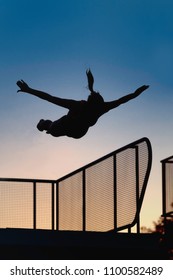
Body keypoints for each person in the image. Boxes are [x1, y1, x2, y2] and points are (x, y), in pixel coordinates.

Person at [16, 69, 149, 139]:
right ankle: (47, 126)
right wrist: (137, 93)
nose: (83, 100)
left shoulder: (78, 106)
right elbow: (123, 100)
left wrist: (29, 90)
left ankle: (47, 126)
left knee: (58, 122)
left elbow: (50, 98)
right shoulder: (102, 108)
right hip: (79, 132)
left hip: (72, 128)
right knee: (61, 122)